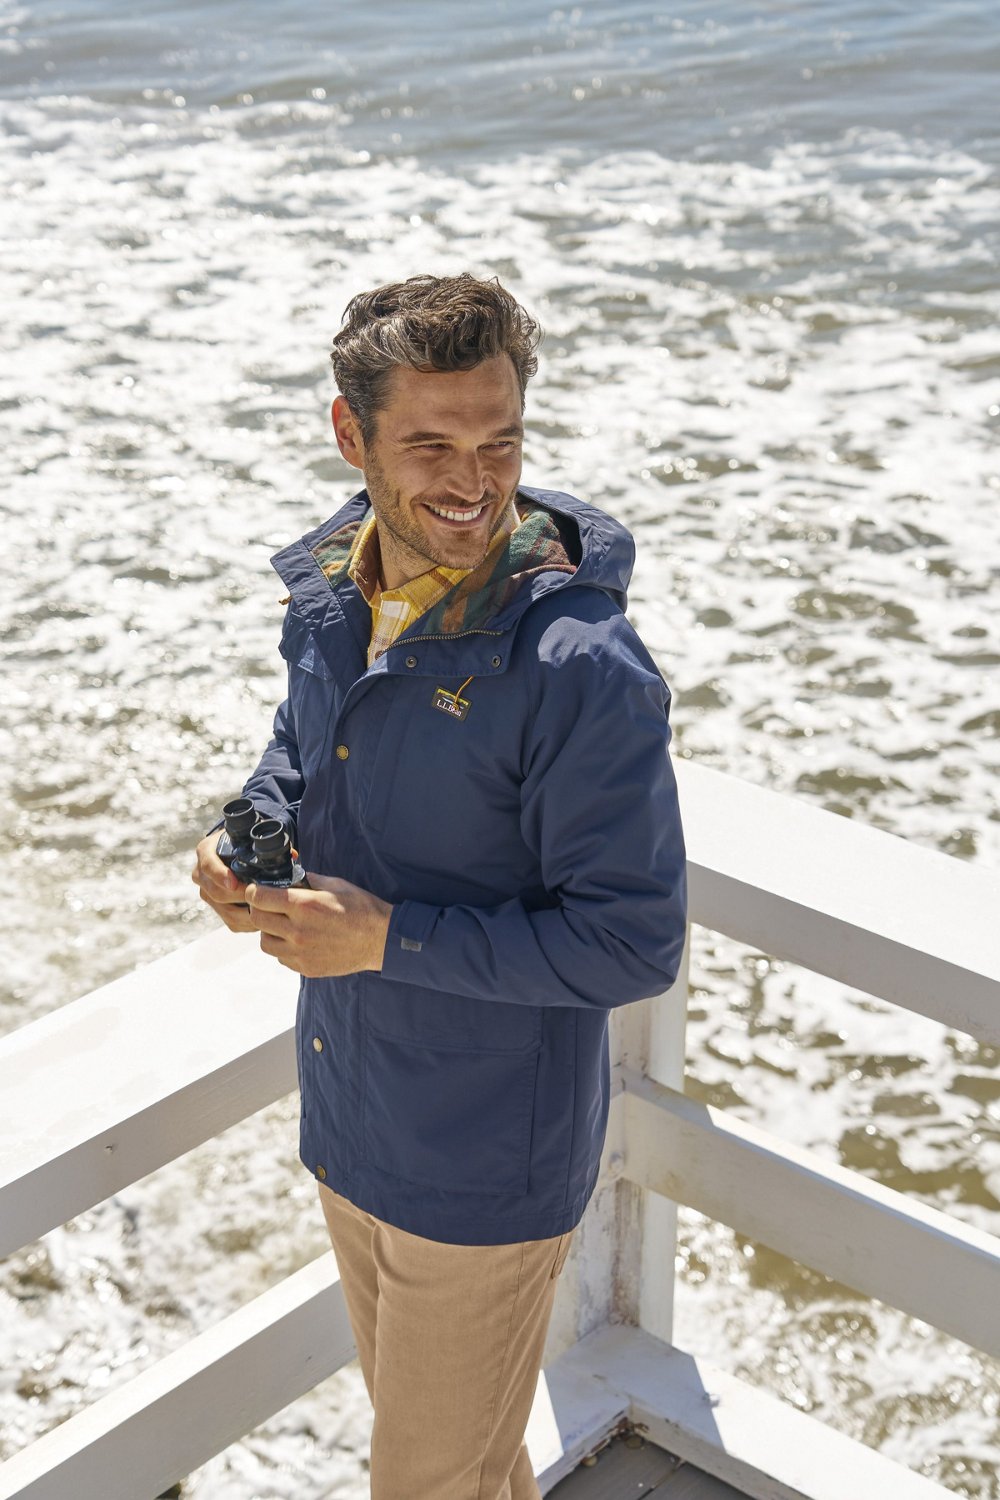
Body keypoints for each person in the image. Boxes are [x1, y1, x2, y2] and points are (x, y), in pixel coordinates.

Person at [191, 273, 687, 1500]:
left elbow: (632, 946)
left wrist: (386, 942)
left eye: (499, 440)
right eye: (431, 444)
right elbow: (300, 749)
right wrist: (247, 827)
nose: (473, 482)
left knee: (424, 1486)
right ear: (350, 436)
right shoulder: (334, 589)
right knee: (463, 1471)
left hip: (482, 1170)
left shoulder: (582, 667)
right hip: (351, 1111)